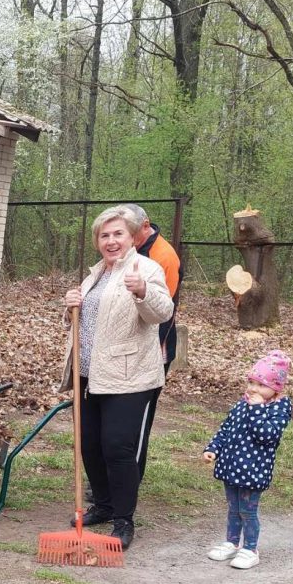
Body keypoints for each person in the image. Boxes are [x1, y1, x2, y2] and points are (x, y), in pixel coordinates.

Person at [62, 205, 174, 550]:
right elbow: (84, 323)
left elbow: (162, 311)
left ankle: (124, 519)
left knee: (118, 447)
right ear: (98, 241)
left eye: (118, 234)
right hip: (90, 374)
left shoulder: (147, 268)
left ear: (131, 237)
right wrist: (70, 307)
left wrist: (143, 291)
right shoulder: (96, 273)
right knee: (90, 445)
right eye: (104, 235)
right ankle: (105, 505)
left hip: (130, 377)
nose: (111, 241)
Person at [203, 350, 292, 570]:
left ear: (277, 387)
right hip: (231, 467)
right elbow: (226, 429)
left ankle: (250, 548)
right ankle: (232, 543)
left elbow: (267, 435)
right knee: (233, 508)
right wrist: (213, 448)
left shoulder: (278, 408)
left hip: (254, 470)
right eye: (251, 382)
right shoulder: (242, 404)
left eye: (261, 385)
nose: (253, 389)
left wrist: (258, 408)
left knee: (248, 511)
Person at [126, 203, 183, 480]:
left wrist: (151, 351)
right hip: (126, 347)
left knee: (139, 418)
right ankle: (115, 475)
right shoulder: (131, 249)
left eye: (130, 232)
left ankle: (130, 478)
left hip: (154, 348)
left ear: (145, 225)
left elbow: (162, 308)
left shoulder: (164, 256)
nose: (124, 237)